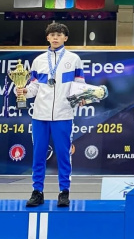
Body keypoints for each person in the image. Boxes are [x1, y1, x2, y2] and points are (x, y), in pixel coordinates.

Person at [15, 23, 85, 207]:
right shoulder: (38, 60)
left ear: (65, 38)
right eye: (52, 35)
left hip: (63, 114)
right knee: (39, 155)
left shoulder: (74, 59)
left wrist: (81, 97)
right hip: (40, 115)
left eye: (59, 35)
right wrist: (24, 91)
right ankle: (37, 191)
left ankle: (64, 192)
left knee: (63, 155)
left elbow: (79, 84)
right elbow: (34, 87)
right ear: (47, 37)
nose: (55, 38)